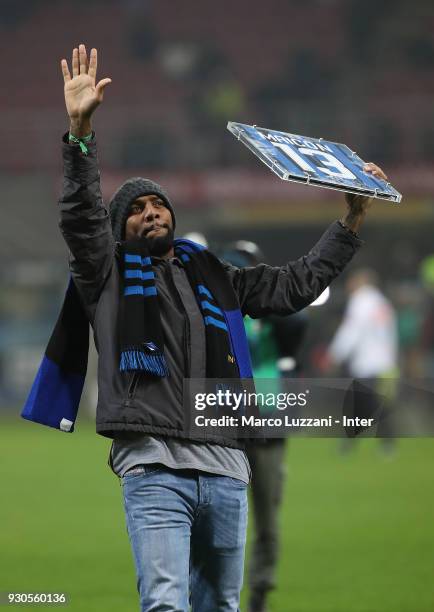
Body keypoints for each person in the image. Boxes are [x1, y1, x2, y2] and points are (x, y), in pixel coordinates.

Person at [57, 43, 388, 612]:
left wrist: (351, 221)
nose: (152, 212)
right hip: (154, 461)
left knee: (222, 609)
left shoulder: (215, 276)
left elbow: (294, 286)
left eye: (159, 205)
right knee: (165, 603)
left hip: (227, 464)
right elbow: (82, 215)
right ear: (119, 229)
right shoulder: (104, 271)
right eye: (136, 209)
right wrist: (80, 138)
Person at [221, 241, 308, 612]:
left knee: (267, 520)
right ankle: (218, 592)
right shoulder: (220, 314)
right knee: (220, 521)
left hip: (269, 422)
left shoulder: (272, 314)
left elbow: (298, 319)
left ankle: (258, 592)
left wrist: (267, 301)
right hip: (228, 427)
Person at [326, 268, 399, 448]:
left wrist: (335, 354)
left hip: (367, 362)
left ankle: (349, 442)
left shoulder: (361, 301)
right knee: (378, 403)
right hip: (385, 362)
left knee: (361, 402)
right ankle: (387, 443)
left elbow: (352, 330)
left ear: (360, 282)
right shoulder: (382, 301)